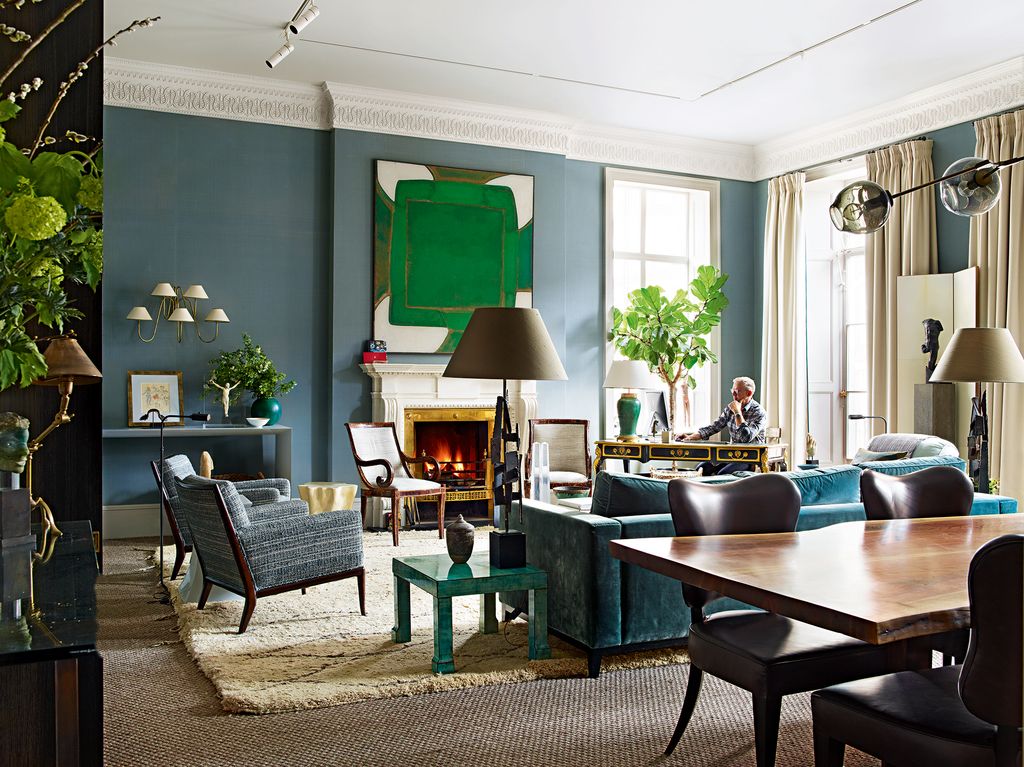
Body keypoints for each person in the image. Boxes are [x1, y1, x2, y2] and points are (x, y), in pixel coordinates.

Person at [681, 376, 767, 476]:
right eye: (732, 391)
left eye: (737, 391)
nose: (733, 395)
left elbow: (745, 438)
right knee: (701, 468)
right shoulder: (730, 409)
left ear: (749, 393)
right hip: (731, 455)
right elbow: (714, 427)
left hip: (749, 458)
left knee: (723, 474)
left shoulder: (758, 412)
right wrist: (690, 437)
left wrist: (737, 413)